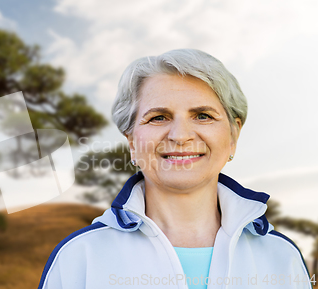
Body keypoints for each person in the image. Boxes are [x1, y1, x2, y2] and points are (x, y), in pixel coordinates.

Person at [37, 49, 312, 289]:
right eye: (158, 117)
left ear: (233, 136)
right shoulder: (79, 257)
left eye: (203, 116)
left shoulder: (281, 256)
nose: (180, 136)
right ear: (132, 141)